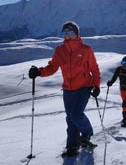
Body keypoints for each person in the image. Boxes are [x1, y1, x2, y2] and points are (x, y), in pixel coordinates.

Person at [28, 21, 101, 157]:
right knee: (70, 119)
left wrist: (96, 86)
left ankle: (86, 134)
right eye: (64, 32)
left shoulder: (86, 50)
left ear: (76, 33)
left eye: (69, 32)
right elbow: (52, 68)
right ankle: (72, 146)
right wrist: (38, 72)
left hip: (84, 87)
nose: (66, 35)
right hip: (68, 89)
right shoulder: (60, 50)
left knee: (76, 115)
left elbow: (94, 69)